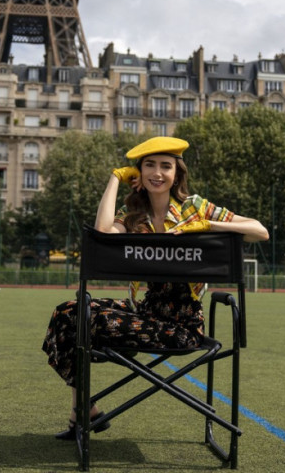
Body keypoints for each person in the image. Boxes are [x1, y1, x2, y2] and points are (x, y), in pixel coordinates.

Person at [41, 136, 269, 440]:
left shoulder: (195, 207)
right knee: (68, 312)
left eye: (166, 166)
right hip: (144, 313)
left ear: (177, 174)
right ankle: (85, 408)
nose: (157, 173)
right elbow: (102, 233)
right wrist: (114, 178)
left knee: (87, 318)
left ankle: (80, 414)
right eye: (149, 165)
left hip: (182, 328)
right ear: (139, 173)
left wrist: (208, 226)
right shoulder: (134, 215)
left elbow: (260, 231)